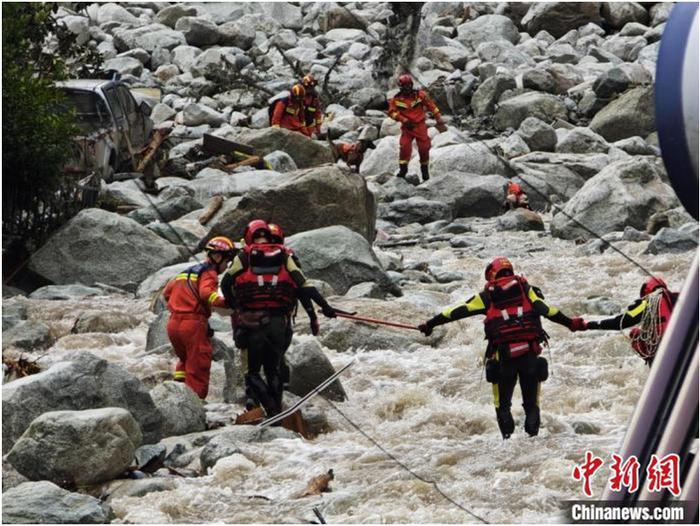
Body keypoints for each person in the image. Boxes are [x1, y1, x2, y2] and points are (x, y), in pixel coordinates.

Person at [417, 257, 586, 439]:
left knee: (502, 405)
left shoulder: (487, 296)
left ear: (491, 275)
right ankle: (533, 444)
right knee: (532, 405)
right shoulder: (526, 290)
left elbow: (456, 311)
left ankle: (507, 444)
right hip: (529, 355)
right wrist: (570, 323)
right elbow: (548, 310)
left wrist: (430, 324)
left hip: (503, 358)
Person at [221, 220, 337, 417]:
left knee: (253, 372)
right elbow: (304, 286)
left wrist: (237, 307)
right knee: (273, 370)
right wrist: (325, 308)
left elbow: (225, 283)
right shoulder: (284, 255)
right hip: (279, 323)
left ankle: (271, 412)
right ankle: (277, 411)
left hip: (253, 323)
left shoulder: (244, 256)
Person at [163, 236, 235, 400]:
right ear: (218, 257)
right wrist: (227, 303)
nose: (226, 266)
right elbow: (206, 293)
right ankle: (196, 405)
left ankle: (179, 396)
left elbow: (167, 293)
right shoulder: (209, 272)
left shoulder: (185, 272)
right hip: (193, 325)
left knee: (185, 360)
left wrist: (181, 304)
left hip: (173, 324)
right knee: (198, 365)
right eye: (227, 261)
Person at [577, 276, 678, 366]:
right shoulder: (680, 298)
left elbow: (620, 323)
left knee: (635, 334)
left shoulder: (647, 303)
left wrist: (589, 325)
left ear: (646, 292)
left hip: (661, 351)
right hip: (682, 345)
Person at [387, 74, 446, 184]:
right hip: (407, 128)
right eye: (405, 86)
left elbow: (431, 105)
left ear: (412, 84)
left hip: (420, 126)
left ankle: (425, 172)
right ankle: (403, 170)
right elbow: (391, 112)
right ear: (401, 87)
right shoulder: (396, 99)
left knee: (424, 148)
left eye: (409, 85)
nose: (407, 88)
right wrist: (402, 119)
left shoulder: (420, 95)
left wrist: (438, 118)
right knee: (404, 147)